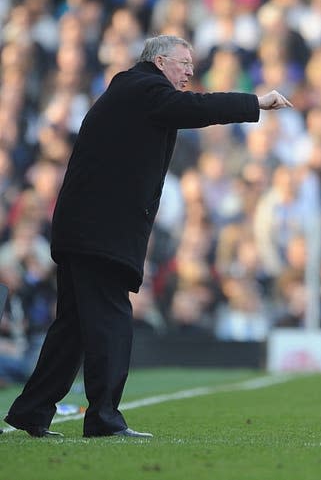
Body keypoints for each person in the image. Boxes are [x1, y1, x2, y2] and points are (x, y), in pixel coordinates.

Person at [4, 35, 292, 439]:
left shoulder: (133, 90)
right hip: (97, 233)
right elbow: (196, 108)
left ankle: (32, 411)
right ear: (159, 61)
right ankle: (103, 418)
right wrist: (255, 102)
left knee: (72, 329)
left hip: (85, 230)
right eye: (184, 62)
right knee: (112, 322)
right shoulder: (144, 89)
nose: (190, 71)